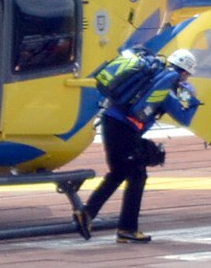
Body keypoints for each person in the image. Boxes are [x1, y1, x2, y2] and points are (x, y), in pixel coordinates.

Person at [75, 48, 201, 243]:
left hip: (111, 121)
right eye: (188, 75)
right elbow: (184, 118)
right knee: (130, 173)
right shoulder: (166, 85)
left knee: (128, 173)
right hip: (124, 129)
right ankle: (104, 219)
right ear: (184, 72)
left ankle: (107, 220)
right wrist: (191, 98)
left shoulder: (151, 73)